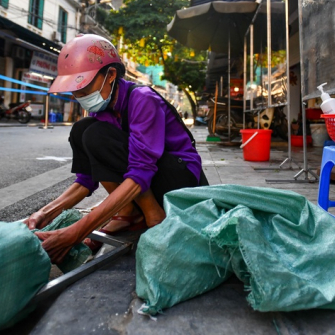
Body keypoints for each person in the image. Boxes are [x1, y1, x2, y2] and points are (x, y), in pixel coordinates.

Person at [26, 34, 208, 264]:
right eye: (74, 90)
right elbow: (87, 179)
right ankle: (129, 213)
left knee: (94, 133)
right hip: (151, 180)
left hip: (181, 179)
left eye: (83, 87)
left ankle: (154, 217)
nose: (77, 96)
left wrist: (76, 231)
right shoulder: (101, 110)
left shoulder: (142, 99)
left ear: (110, 75)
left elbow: (140, 172)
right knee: (83, 130)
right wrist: (45, 213)